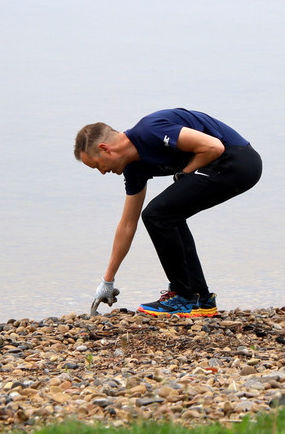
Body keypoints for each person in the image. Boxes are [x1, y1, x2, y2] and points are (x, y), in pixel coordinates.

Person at [74, 108, 262, 318]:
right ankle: (201, 298)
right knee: (166, 215)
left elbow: (213, 147)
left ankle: (185, 297)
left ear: (105, 149)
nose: (102, 172)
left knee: (158, 215)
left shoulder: (150, 130)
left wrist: (184, 173)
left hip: (237, 159)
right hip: (223, 165)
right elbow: (127, 224)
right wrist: (107, 281)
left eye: (97, 166)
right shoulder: (134, 168)